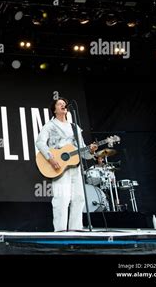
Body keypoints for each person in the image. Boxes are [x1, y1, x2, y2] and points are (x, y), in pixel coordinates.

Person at [35, 97, 98, 232]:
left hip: (75, 166)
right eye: (60, 104)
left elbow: (82, 150)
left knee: (79, 197)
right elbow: (40, 142)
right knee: (62, 199)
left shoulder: (74, 127)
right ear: (54, 110)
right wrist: (51, 158)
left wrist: (90, 151)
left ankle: (76, 229)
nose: (63, 105)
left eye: (64, 104)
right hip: (59, 166)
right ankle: (60, 231)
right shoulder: (50, 126)